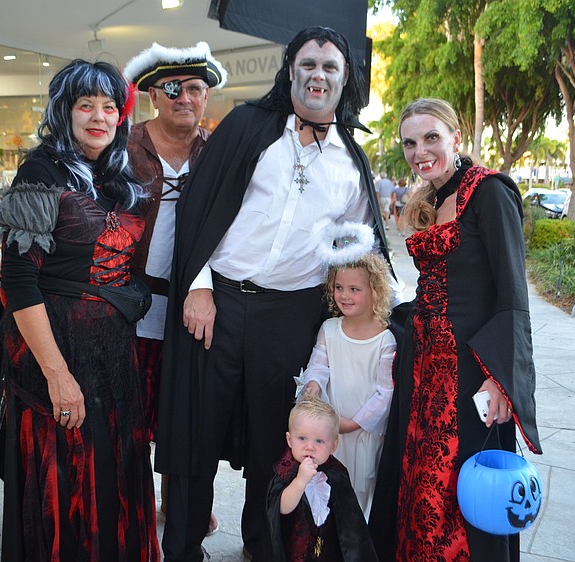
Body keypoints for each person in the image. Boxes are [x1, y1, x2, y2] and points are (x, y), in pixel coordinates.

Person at [155, 26, 395, 562]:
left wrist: (390, 314)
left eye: (330, 67)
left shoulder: (350, 162)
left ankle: (262, 548)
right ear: (291, 71)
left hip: (291, 314)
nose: (318, 75)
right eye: (308, 64)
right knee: (198, 438)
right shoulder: (246, 127)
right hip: (216, 305)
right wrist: (196, 286)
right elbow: (196, 210)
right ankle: (183, 548)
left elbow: (365, 250)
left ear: (345, 78)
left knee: (277, 443)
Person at [0, 59, 158, 561]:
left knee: (115, 471)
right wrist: (58, 376)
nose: (99, 116)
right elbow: (18, 279)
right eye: (86, 105)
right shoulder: (39, 170)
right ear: (64, 111)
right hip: (55, 346)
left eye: (110, 106)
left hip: (112, 351)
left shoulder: (118, 172)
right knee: (64, 480)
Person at [369, 98, 542, 562]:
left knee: (462, 480)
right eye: (409, 142)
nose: (419, 151)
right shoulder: (434, 196)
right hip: (423, 366)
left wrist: (500, 377)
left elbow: (512, 294)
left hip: (470, 367)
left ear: (456, 138)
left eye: (431, 138)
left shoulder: (489, 192)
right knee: (419, 474)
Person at [123, 41, 227, 535]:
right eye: (173, 88)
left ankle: (173, 499)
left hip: (190, 302)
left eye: (195, 89)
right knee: (129, 407)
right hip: (125, 298)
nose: (184, 97)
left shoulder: (217, 154)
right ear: (153, 95)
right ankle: (135, 499)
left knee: (178, 408)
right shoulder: (123, 148)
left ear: (206, 97)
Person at [302, 248, 396, 519]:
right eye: (339, 287)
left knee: (360, 491)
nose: (344, 295)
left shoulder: (384, 340)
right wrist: (313, 387)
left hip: (363, 434)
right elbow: (318, 366)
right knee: (327, 487)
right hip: (330, 431)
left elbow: (384, 393)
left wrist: (353, 423)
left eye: (355, 289)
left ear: (375, 292)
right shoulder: (329, 329)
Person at [263, 397, 378, 562]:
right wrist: (300, 481)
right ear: (289, 440)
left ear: (333, 446)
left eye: (319, 441)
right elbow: (281, 507)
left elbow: (349, 522)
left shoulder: (336, 473)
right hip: (293, 554)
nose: (310, 446)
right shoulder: (285, 470)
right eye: (302, 438)